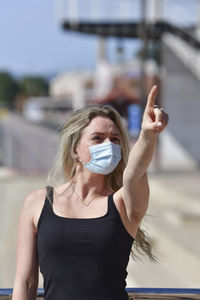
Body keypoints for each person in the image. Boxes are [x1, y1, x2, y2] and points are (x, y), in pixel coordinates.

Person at [12, 85, 169, 300]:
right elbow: (25, 282)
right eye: (98, 138)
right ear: (75, 148)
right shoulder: (37, 202)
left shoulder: (123, 203)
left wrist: (147, 136)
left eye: (115, 140)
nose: (109, 145)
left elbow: (135, 172)